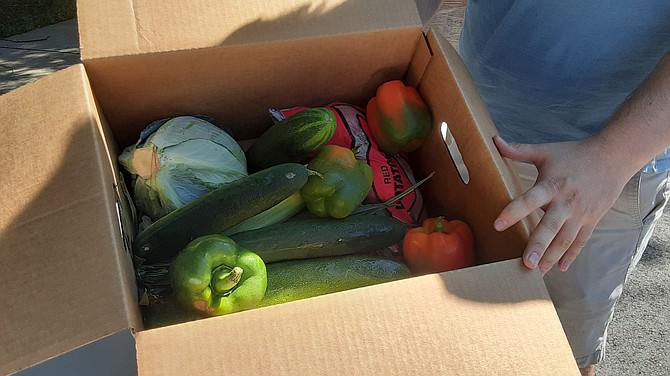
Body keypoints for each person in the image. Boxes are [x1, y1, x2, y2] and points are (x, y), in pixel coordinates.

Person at [422, 2, 670, 375]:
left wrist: (610, 157)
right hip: (470, 117)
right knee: (464, 316)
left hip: (599, 169)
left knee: (560, 349)